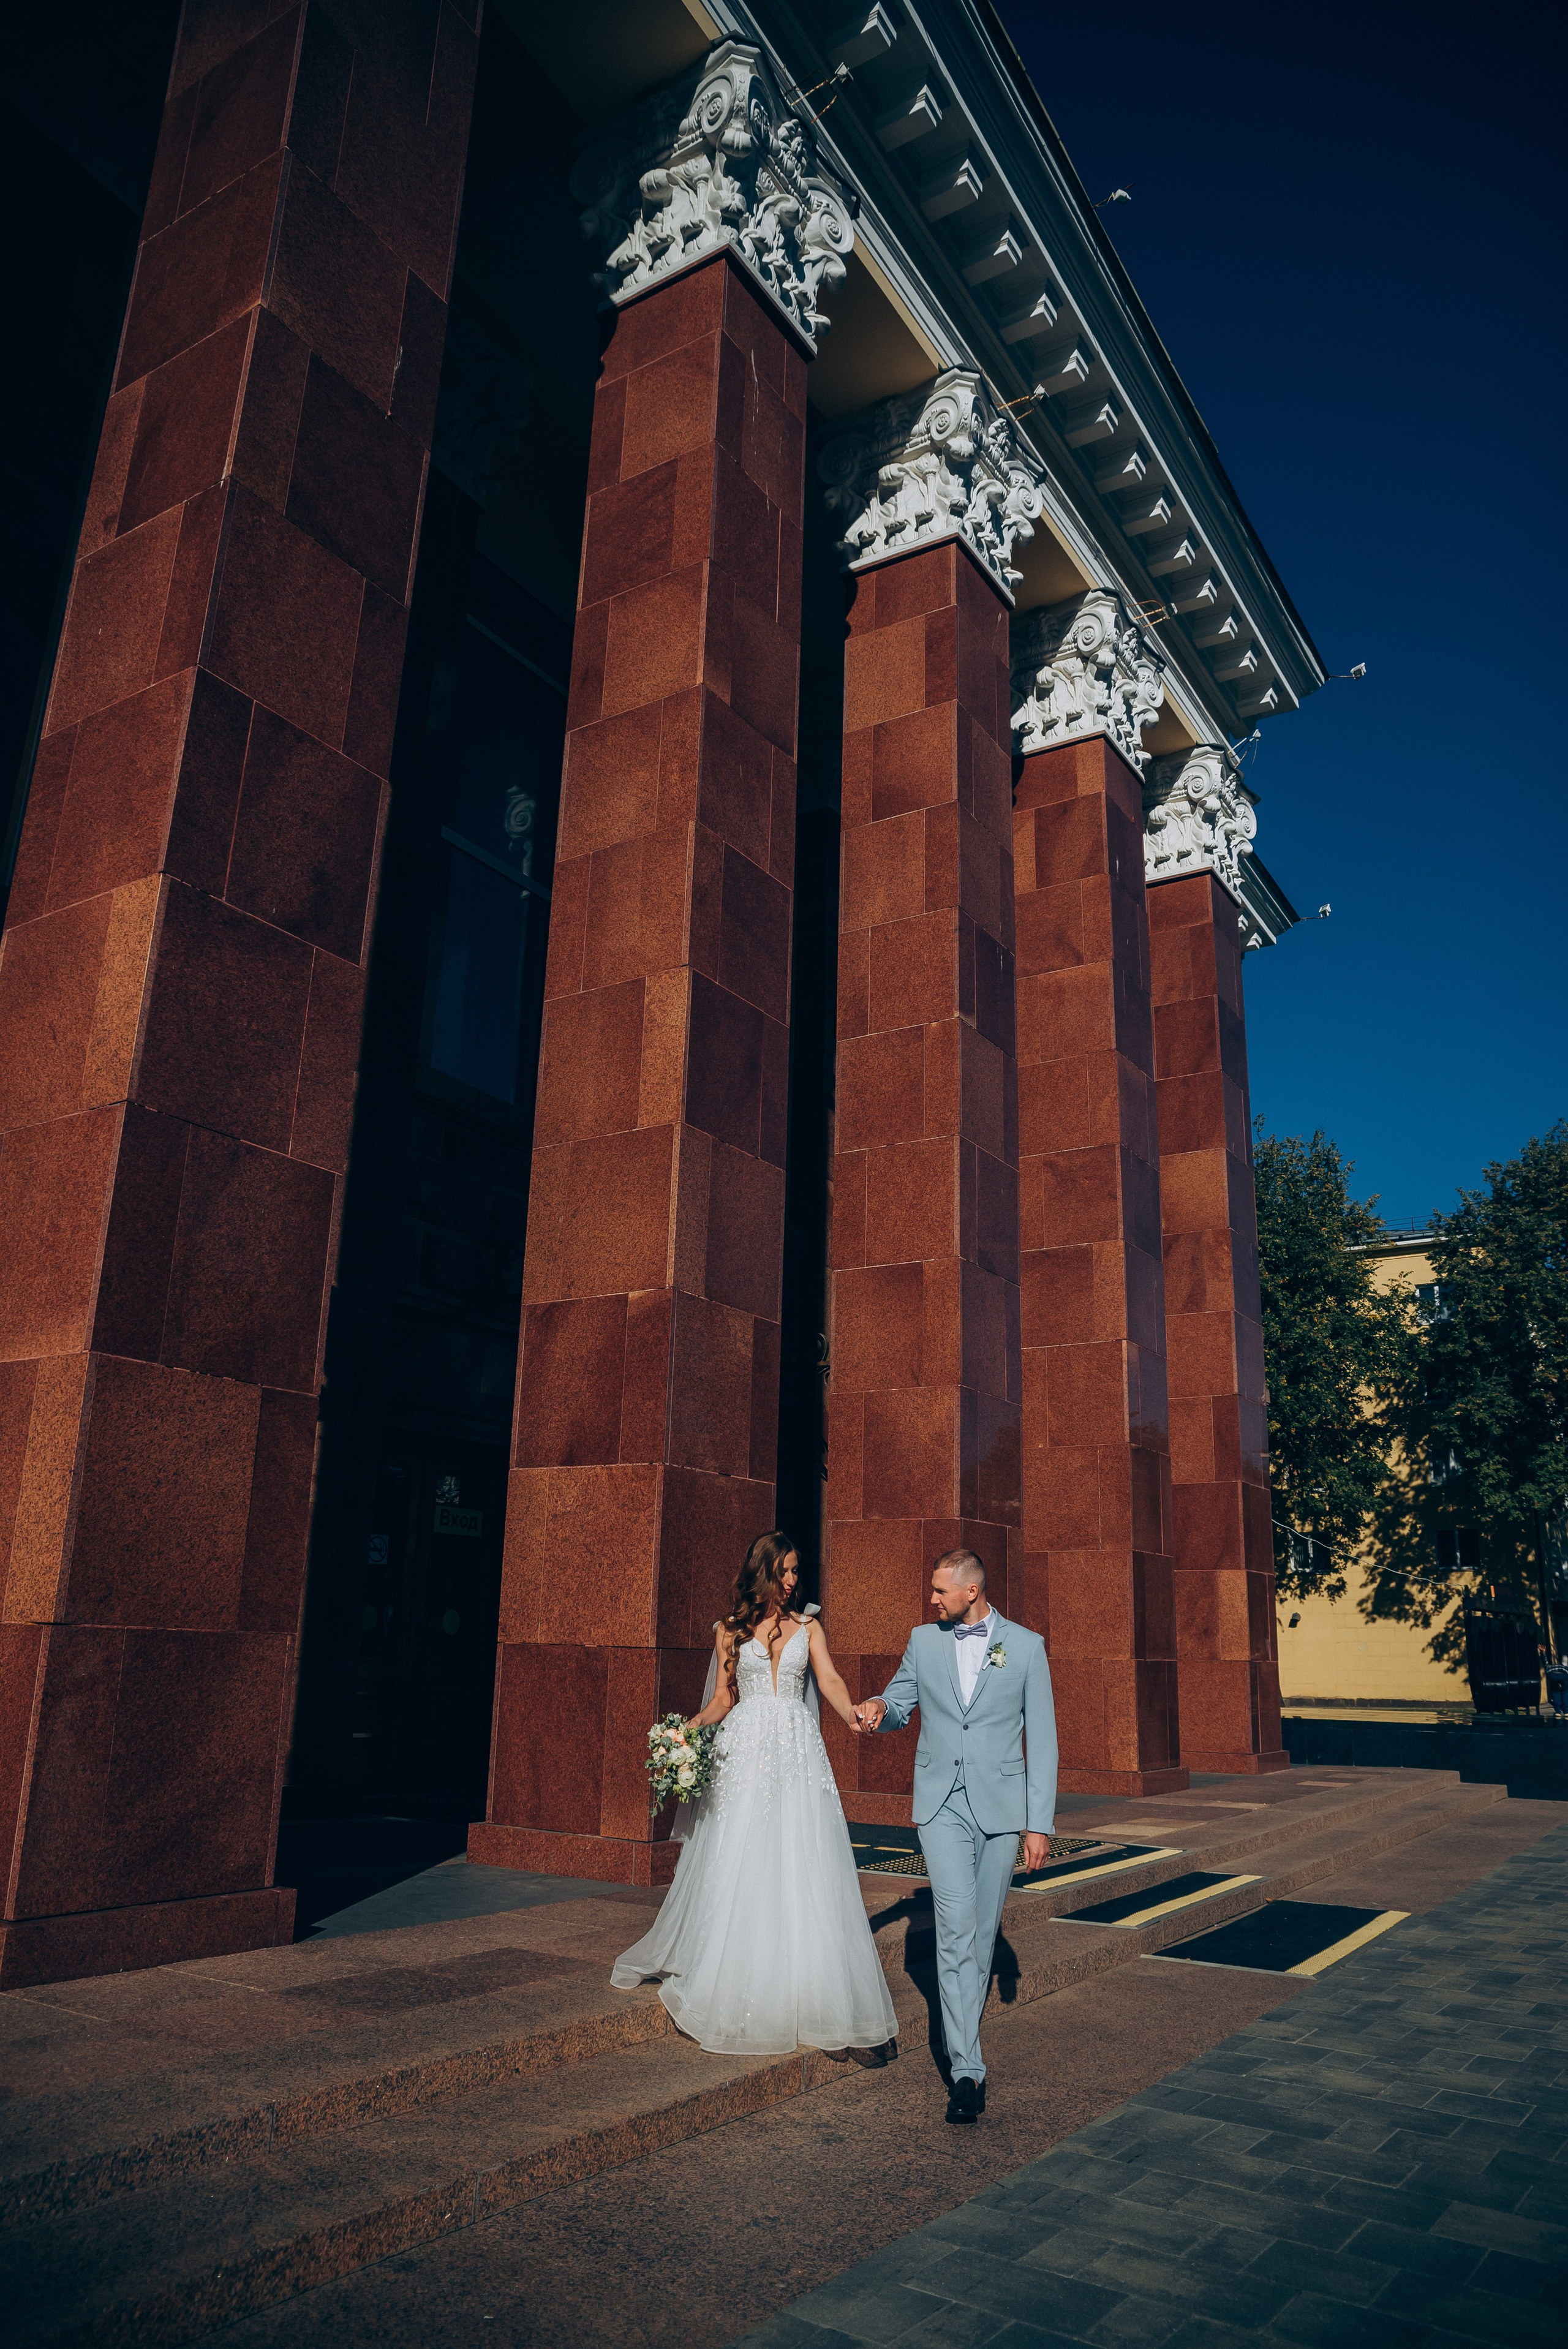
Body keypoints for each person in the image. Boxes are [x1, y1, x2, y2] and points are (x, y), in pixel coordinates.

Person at [611, 1530, 899, 2062]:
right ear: (763, 1571)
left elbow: (830, 1680)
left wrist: (853, 1715)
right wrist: (687, 1730)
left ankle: (824, 2001)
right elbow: (724, 1698)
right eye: (784, 1570)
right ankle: (744, 1978)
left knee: (806, 1861)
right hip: (743, 1753)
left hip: (797, 1751)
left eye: (796, 1571)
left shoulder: (808, 1627)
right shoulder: (729, 1630)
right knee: (745, 1860)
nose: (792, 1580)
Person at [855, 1547, 1057, 2124]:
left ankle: (964, 2040)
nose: (932, 1598)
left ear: (972, 1590)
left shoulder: (1025, 1647)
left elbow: (1042, 1738)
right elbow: (900, 1701)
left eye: (940, 1590)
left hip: (1002, 1809)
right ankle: (968, 2070)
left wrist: (1038, 1823)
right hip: (941, 1804)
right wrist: (879, 1707)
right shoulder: (924, 1641)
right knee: (955, 1928)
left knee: (982, 1934)